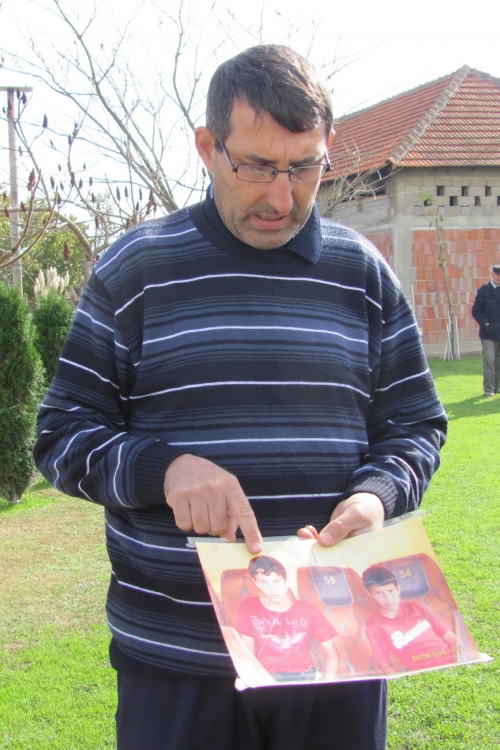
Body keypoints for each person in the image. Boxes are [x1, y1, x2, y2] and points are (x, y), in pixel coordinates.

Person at [34, 44, 447, 750]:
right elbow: (62, 435)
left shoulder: (362, 273)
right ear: (208, 148)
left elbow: (415, 424)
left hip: (336, 653)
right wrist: (164, 470)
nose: (282, 198)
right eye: (256, 166)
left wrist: (379, 494)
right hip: (179, 665)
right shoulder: (137, 270)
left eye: (305, 167)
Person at [236, 556, 339, 681]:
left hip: (303, 676)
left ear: (287, 582)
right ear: (255, 583)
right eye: (263, 582)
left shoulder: (308, 611)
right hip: (266, 677)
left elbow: (332, 653)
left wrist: (326, 685)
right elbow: (248, 652)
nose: (272, 589)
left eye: (276, 581)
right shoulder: (248, 607)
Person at [362, 566, 457, 674]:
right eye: (379, 593)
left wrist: (457, 664)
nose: (388, 598)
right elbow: (385, 666)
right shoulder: (374, 627)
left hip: (452, 661)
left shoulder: (415, 607)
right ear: (370, 594)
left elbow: (452, 639)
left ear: (398, 589)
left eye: (391, 591)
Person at [471, 264, 500, 396]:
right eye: (497, 275)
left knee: (498, 361)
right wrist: (486, 323)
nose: (499, 277)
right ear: (492, 274)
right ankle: (488, 389)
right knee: (489, 360)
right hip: (488, 333)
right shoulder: (484, 290)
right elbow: (475, 311)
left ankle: (497, 387)